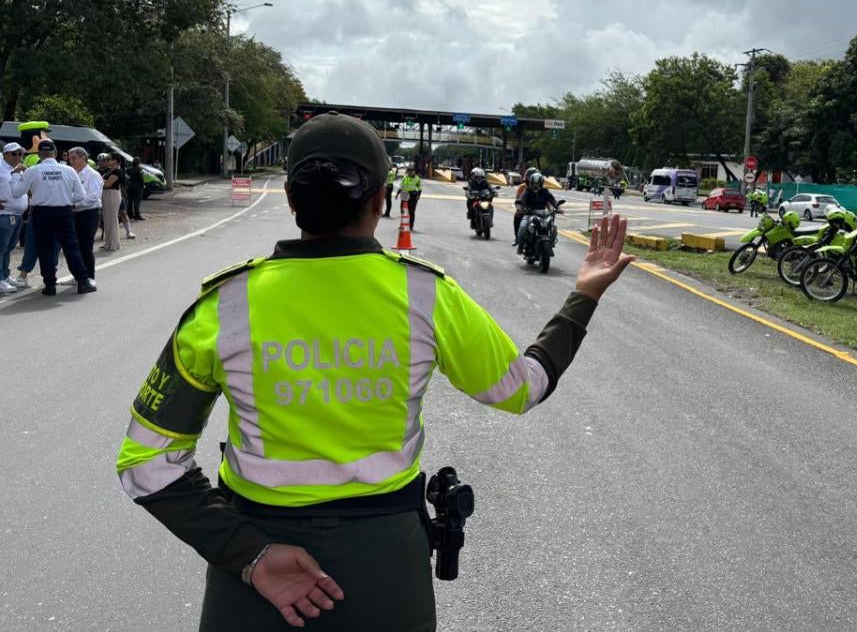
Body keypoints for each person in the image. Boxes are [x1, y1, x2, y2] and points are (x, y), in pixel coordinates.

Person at [115, 111, 635, 630]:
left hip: (257, 576)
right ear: (381, 201)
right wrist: (584, 294)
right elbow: (524, 389)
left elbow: (147, 466)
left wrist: (249, 555)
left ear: (292, 201)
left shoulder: (223, 306)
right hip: (387, 566)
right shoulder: (426, 295)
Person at [12, 139, 93, 295]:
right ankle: (83, 281)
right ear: (55, 153)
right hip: (64, 212)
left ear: (39, 154)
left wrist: (17, 176)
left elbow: (16, 193)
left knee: (45, 249)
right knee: (71, 248)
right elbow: (80, 196)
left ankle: (50, 285)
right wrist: (65, 200)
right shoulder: (69, 171)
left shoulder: (32, 171)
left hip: (41, 213)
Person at [68, 147, 102, 287]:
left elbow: (93, 197)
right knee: (75, 246)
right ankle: (79, 274)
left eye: (74, 158)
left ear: (83, 158)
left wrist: (74, 203)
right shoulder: (73, 173)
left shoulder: (92, 174)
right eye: (70, 158)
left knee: (86, 245)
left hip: (89, 213)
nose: (71, 161)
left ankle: (90, 276)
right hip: (75, 213)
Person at [0, 142, 28, 293]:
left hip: (17, 215)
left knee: (8, 248)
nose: (18, 156)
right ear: (5, 154)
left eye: (20, 153)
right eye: (14, 153)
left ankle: (4, 276)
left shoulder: (18, 169)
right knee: (1, 248)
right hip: (4, 215)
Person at [516, 172, 557, 251]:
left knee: (553, 227)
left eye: (538, 183)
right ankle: (520, 245)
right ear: (530, 183)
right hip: (529, 214)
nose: (536, 185)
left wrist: (558, 207)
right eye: (534, 183)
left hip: (542, 214)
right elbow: (522, 200)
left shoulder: (545, 191)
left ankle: (550, 245)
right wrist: (520, 207)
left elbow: (553, 200)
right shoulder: (527, 191)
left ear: (541, 183)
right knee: (523, 227)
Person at [99, 155, 122, 251]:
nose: (108, 161)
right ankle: (108, 242)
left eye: (111, 159)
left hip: (112, 194)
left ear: (116, 161)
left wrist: (99, 179)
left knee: (112, 219)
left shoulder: (118, 171)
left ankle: (114, 244)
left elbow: (108, 184)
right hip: (106, 195)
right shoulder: (109, 171)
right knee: (107, 219)